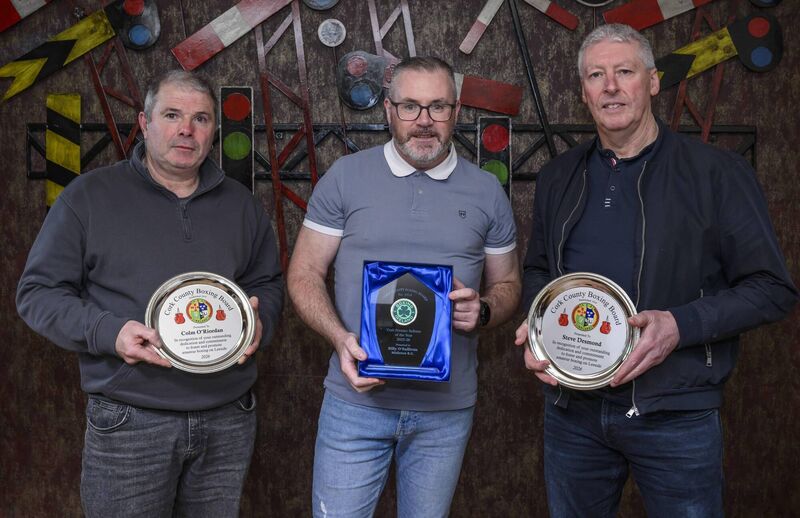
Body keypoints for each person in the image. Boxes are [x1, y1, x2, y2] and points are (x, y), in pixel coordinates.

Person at [513, 23, 798, 517]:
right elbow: (539, 271)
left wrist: (679, 325)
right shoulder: (559, 176)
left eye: (625, 71)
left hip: (675, 415)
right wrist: (537, 329)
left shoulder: (717, 173)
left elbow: (773, 289)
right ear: (583, 91)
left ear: (652, 81)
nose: (610, 86)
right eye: (596, 75)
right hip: (572, 414)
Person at [16, 70, 284, 517]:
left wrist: (260, 320)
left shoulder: (242, 205)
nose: (186, 129)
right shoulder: (89, 196)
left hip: (228, 416)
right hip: (130, 419)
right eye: (172, 115)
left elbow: (266, 284)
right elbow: (37, 293)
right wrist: (110, 332)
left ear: (214, 130)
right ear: (144, 122)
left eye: (200, 118)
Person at [287, 56, 520, 517]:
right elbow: (304, 273)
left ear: (456, 112)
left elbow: (509, 283)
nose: (424, 122)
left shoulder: (487, 190)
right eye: (411, 107)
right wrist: (339, 338)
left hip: (446, 411)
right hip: (356, 401)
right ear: (389, 110)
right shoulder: (345, 178)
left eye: (438, 107)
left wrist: (486, 310)